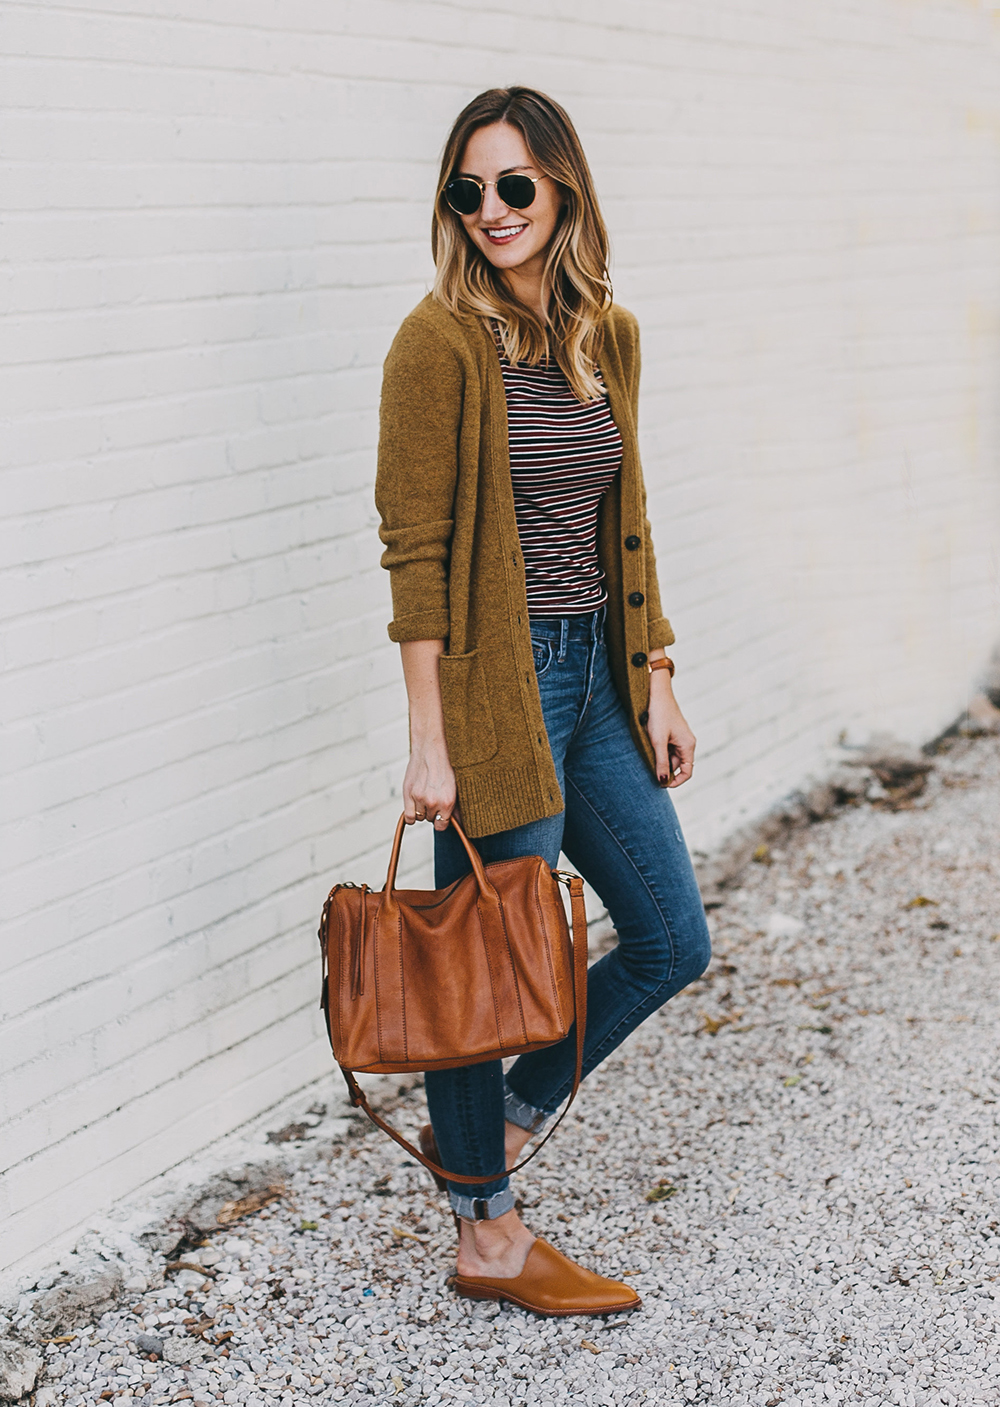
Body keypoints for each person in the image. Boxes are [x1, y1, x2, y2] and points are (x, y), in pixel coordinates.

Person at [374, 86, 711, 1317]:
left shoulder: (602, 334)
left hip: (601, 684)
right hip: (497, 689)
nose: (493, 211)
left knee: (673, 940)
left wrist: (659, 674)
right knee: (479, 968)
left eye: (515, 185)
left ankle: (500, 1133)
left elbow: (629, 521)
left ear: (562, 187)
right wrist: (430, 738)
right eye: (470, 190)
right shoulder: (437, 340)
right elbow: (413, 550)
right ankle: (489, 1239)